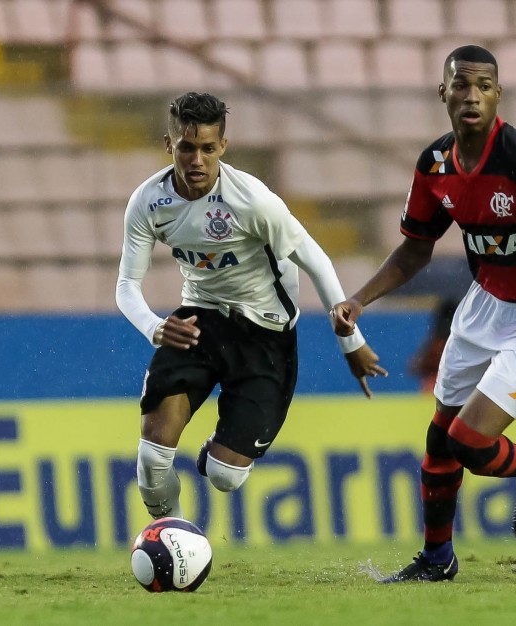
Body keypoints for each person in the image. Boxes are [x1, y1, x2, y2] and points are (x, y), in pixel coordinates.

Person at [332, 45, 516, 583]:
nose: (472, 96)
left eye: (484, 86)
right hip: (482, 306)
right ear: (444, 92)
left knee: (469, 442)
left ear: (498, 94)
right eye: (461, 84)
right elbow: (415, 248)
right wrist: (360, 299)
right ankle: (437, 560)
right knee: (440, 440)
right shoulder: (435, 163)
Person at [116, 92, 386, 521]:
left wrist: (352, 343)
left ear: (223, 146)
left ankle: (219, 455)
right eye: (186, 148)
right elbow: (127, 285)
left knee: (225, 476)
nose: (197, 160)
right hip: (199, 319)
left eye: (207, 148)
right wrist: (155, 326)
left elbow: (315, 259)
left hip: (266, 331)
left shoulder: (253, 202)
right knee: (152, 458)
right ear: (170, 147)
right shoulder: (148, 202)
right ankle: (173, 540)